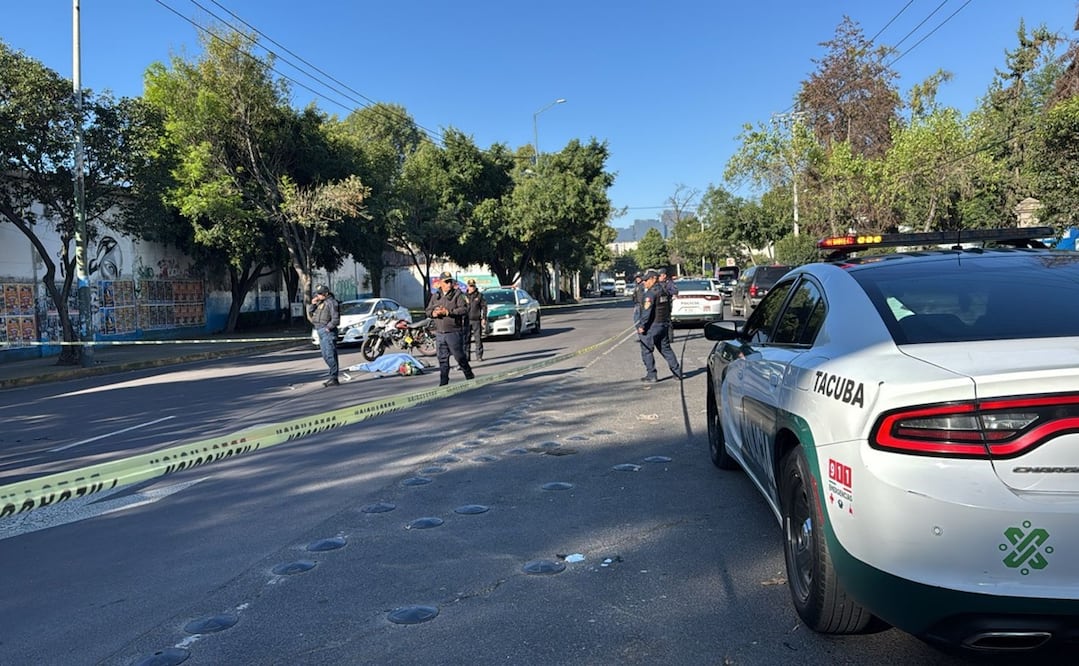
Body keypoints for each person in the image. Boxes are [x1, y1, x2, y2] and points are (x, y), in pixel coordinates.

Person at [425, 271, 475, 386]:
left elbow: (464, 309)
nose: (449, 284)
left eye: (450, 281)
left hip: (454, 332)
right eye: (446, 281)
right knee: (442, 360)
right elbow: (427, 311)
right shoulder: (435, 296)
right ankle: (443, 383)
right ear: (440, 283)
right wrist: (433, 313)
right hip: (440, 333)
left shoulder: (458, 294)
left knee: (460, 357)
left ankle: (470, 376)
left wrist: (448, 312)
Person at [634, 270, 682, 384]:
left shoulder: (651, 294)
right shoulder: (664, 290)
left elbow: (647, 312)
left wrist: (642, 326)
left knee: (646, 350)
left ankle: (651, 375)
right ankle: (677, 372)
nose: (644, 282)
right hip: (663, 324)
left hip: (652, 326)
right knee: (666, 349)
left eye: (646, 280)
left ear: (653, 279)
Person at [307, 284, 340, 387]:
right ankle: (332, 375)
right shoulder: (320, 302)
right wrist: (312, 304)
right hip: (319, 330)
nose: (318, 296)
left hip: (327, 331)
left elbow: (336, 319)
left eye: (320, 294)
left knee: (330, 354)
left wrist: (328, 327)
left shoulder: (332, 303)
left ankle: (333, 377)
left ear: (326, 293)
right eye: (317, 294)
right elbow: (310, 311)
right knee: (325, 355)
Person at [464, 279, 488, 362]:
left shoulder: (479, 295)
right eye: (470, 286)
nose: (472, 288)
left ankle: (479, 356)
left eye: (473, 286)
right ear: (467, 286)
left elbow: (484, 307)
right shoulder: (464, 296)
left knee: (478, 339)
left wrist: (484, 318)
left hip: (476, 320)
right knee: (466, 339)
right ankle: (467, 357)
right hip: (466, 320)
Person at [657, 268, 678, 343]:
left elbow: (675, 291)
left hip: (666, 305)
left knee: (667, 322)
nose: (659, 277)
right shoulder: (657, 283)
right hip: (658, 306)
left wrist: (666, 292)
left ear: (664, 275)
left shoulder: (669, 283)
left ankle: (669, 338)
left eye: (660, 276)